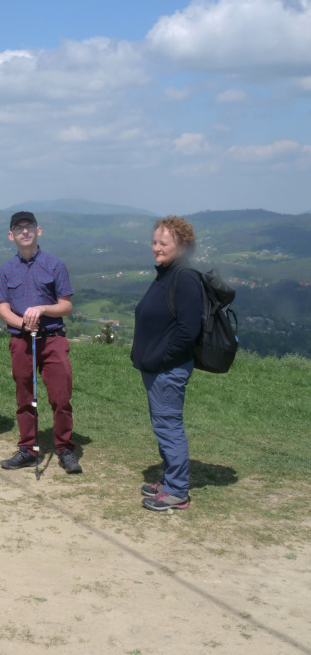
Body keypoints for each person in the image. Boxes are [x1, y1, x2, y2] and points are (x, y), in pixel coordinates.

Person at [0, 211, 82, 474]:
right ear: (11, 235)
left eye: (29, 226)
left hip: (53, 339)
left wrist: (42, 309)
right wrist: (23, 323)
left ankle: (64, 448)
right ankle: (28, 449)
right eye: (18, 228)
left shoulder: (55, 265)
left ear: (38, 230)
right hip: (22, 341)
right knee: (25, 396)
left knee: (60, 396)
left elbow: (66, 306)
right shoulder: (5, 270)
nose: (25, 231)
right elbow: (3, 309)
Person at [131, 216, 202, 512]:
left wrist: (160, 359)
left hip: (167, 369)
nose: (157, 248)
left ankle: (176, 491)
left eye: (164, 243)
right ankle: (171, 480)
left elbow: (188, 330)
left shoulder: (184, 277)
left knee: (169, 426)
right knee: (163, 426)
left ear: (182, 246)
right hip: (157, 368)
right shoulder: (167, 273)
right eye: (155, 242)